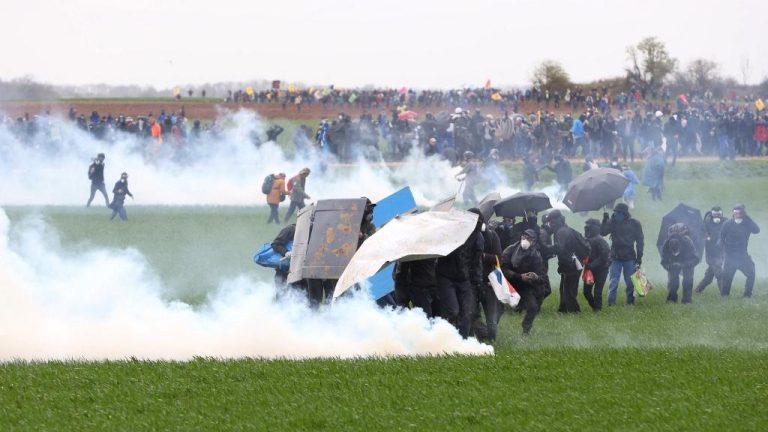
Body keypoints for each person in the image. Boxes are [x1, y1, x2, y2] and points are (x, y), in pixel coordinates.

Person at [436, 208, 484, 338]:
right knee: (453, 311)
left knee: (467, 312)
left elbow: (477, 261)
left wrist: (477, 282)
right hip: (446, 276)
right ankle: (443, 337)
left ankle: (463, 342)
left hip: (464, 278)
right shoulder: (453, 232)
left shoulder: (478, 237)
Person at [501, 229, 545, 335]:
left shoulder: (536, 256)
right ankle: (492, 328)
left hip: (525, 286)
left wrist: (535, 277)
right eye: (523, 237)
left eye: (528, 238)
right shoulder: (510, 250)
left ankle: (526, 330)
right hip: (508, 283)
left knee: (533, 307)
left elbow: (542, 276)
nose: (525, 239)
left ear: (533, 242)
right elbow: (502, 269)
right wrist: (519, 276)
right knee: (498, 308)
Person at [547, 210, 590, 313]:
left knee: (569, 290)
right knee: (565, 288)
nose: (550, 225)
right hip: (572, 264)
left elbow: (560, 249)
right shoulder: (565, 229)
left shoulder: (561, 231)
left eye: (551, 222)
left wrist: (546, 248)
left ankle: (574, 311)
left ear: (556, 221)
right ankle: (563, 309)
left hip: (571, 265)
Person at [601, 203, 644, 305]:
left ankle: (630, 302)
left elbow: (640, 241)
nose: (615, 214)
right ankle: (611, 304)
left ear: (624, 213)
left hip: (629, 257)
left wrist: (639, 257)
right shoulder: (612, 222)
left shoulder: (635, 224)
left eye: (618, 213)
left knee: (630, 283)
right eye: (615, 212)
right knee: (613, 282)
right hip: (615, 257)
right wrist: (605, 220)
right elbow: (602, 232)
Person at [719, 205, 760, 297]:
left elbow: (757, 230)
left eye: (739, 213)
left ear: (743, 214)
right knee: (727, 278)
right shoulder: (727, 224)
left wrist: (748, 218)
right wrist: (722, 250)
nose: (737, 215)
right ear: (732, 213)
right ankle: (724, 296)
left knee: (751, 273)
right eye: (735, 213)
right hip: (730, 255)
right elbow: (721, 238)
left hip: (742, 255)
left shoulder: (747, 223)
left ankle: (747, 294)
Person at [660, 223, 699, 303]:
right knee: (672, 281)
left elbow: (695, 259)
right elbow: (664, 261)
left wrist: (684, 265)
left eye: (676, 251)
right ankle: (671, 299)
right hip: (673, 263)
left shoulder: (687, 242)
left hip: (687, 261)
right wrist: (670, 266)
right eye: (673, 251)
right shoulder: (666, 246)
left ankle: (687, 300)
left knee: (688, 281)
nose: (675, 253)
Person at [695, 207, 727, 293]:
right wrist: (706, 236)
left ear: (722, 214)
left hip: (721, 252)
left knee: (709, 275)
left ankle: (698, 290)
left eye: (719, 215)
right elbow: (700, 233)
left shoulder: (726, 222)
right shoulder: (706, 222)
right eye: (715, 215)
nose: (717, 216)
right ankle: (724, 294)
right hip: (711, 254)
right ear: (712, 214)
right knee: (720, 274)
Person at [583, 218, 610, 311]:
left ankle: (597, 310)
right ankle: (595, 307)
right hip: (590, 269)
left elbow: (604, 257)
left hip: (602, 269)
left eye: (588, 228)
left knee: (597, 291)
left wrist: (591, 265)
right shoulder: (586, 239)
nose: (586, 230)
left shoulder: (600, 240)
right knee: (586, 291)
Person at [271, 224, 296, 288]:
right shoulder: (291, 229)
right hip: (284, 272)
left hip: (301, 274)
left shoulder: (314, 231)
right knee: (281, 295)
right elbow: (275, 244)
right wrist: (286, 252)